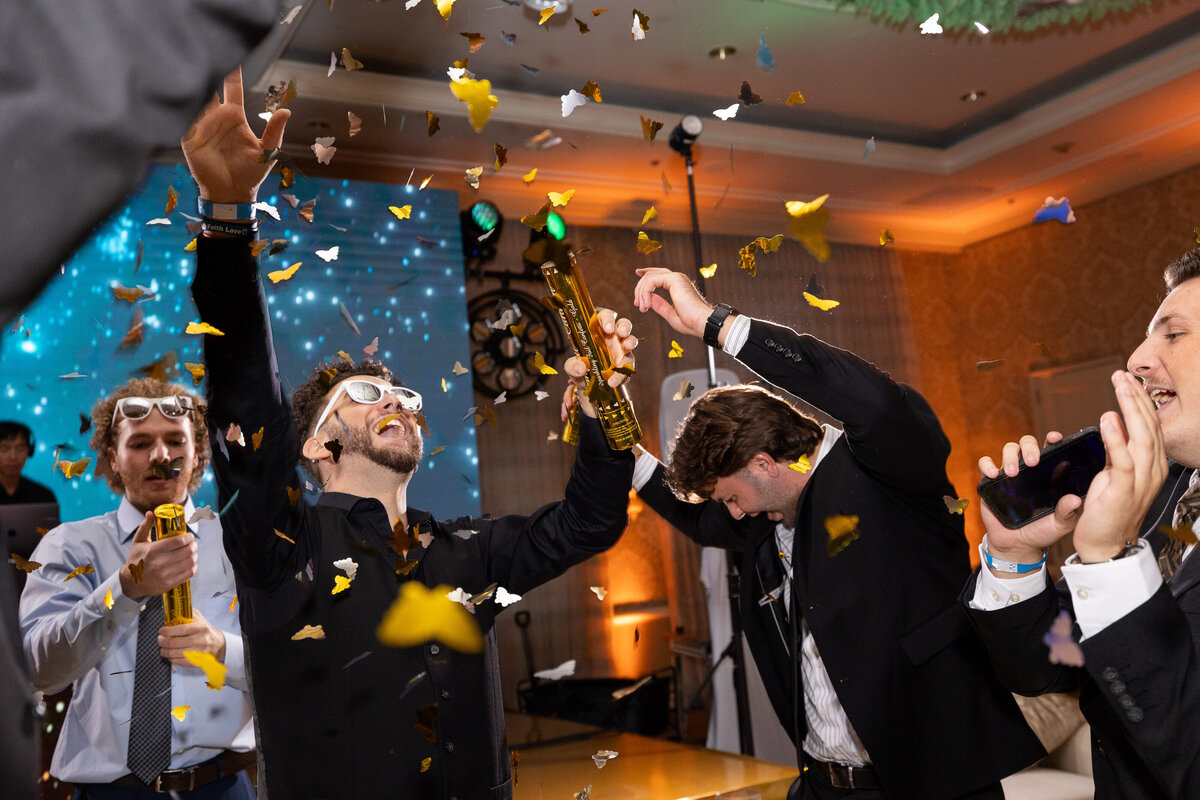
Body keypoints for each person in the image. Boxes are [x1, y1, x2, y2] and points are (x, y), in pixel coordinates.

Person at [183, 69, 637, 800]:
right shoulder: (281, 550)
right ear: (315, 446)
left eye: (403, 393)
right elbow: (246, 402)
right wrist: (229, 221)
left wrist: (600, 412)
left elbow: (590, 521)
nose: (396, 401)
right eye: (365, 395)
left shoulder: (467, 551)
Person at [628, 268, 1043, 799]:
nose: (731, 512)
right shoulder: (763, 514)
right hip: (825, 786)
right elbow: (699, 520)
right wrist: (618, 438)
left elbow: (877, 404)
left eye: (730, 496)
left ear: (763, 463)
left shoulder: (885, 470)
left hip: (934, 783)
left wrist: (717, 325)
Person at [965, 249, 1200, 798]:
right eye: (1146, 335)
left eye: (1173, 334)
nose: (1139, 357)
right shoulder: (1159, 492)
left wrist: (1112, 562)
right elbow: (1051, 669)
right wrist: (1016, 557)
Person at [19, 378, 255, 798]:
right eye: (141, 442)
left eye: (174, 440)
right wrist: (126, 588)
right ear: (112, 456)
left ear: (197, 452)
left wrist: (222, 648)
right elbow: (41, 670)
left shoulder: (239, 542)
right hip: (110, 791)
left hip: (224, 785)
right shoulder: (70, 545)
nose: (161, 455)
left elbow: (293, 664)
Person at [0, 420, 57, 504]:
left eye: (20, 449)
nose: (13, 456)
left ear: (29, 451)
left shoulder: (43, 496)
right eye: (5, 449)